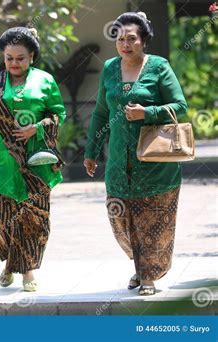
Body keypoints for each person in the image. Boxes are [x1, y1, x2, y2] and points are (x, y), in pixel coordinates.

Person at [83, 12, 188, 295]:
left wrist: (148, 112)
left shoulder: (159, 67)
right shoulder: (109, 68)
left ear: (143, 41)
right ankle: (141, 265)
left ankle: (148, 277)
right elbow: (101, 113)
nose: (125, 44)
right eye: (119, 39)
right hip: (118, 160)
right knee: (119, 216)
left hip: (154, 163)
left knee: (151, 219)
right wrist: (91, 151)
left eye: (132, 39)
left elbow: (180, 106)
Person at [0, 27, 66, 292]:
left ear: (32, 56)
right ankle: (11, 261)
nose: (14, 63)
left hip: (35, 162)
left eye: (20, 57)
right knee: (0, 217)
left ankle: (28, 271)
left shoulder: (45, 80)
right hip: (0, 163)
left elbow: (58, 114)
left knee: (33, 217)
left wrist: (38, 128)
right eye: (9, 58)